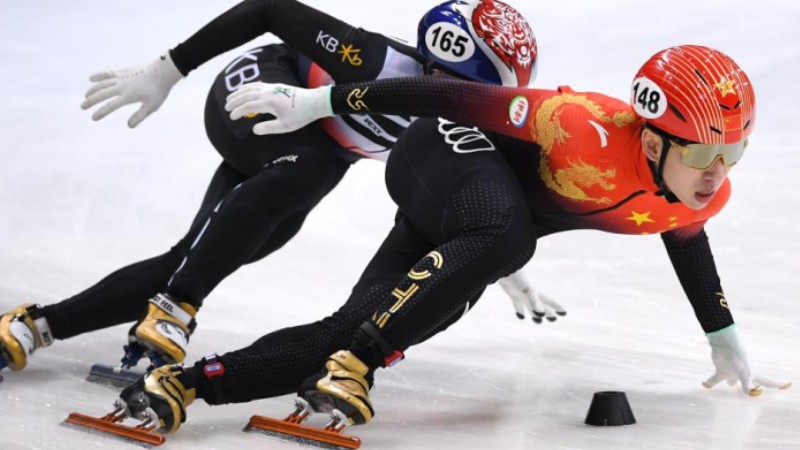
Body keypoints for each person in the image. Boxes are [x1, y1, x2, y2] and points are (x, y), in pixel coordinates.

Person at [108, 44, 790, 434]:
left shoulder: (704, 189)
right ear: (649, 137)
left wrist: (721, 333)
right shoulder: (576, 123)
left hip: (474, 224)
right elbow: (443, 97)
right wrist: (321, 103)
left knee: (345, 330)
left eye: (735, 154)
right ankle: (364, 360)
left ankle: (187, 385)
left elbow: (687, 235)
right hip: (441, 154)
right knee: (508, 239)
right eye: (704, 155)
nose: (718, 174)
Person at [0, 0, 561, 380]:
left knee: (216, 249)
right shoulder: (375, 60)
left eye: (482, 99)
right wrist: (169, 68)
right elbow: (269, 10)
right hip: (260, 93)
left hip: (302, 152)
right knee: (309, 170)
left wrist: (498, 265)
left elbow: (450, 195)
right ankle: (176, 307)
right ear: (435, 66)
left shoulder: (457, 123)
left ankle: (35, 326)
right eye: (465, 90)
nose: (468, 108)